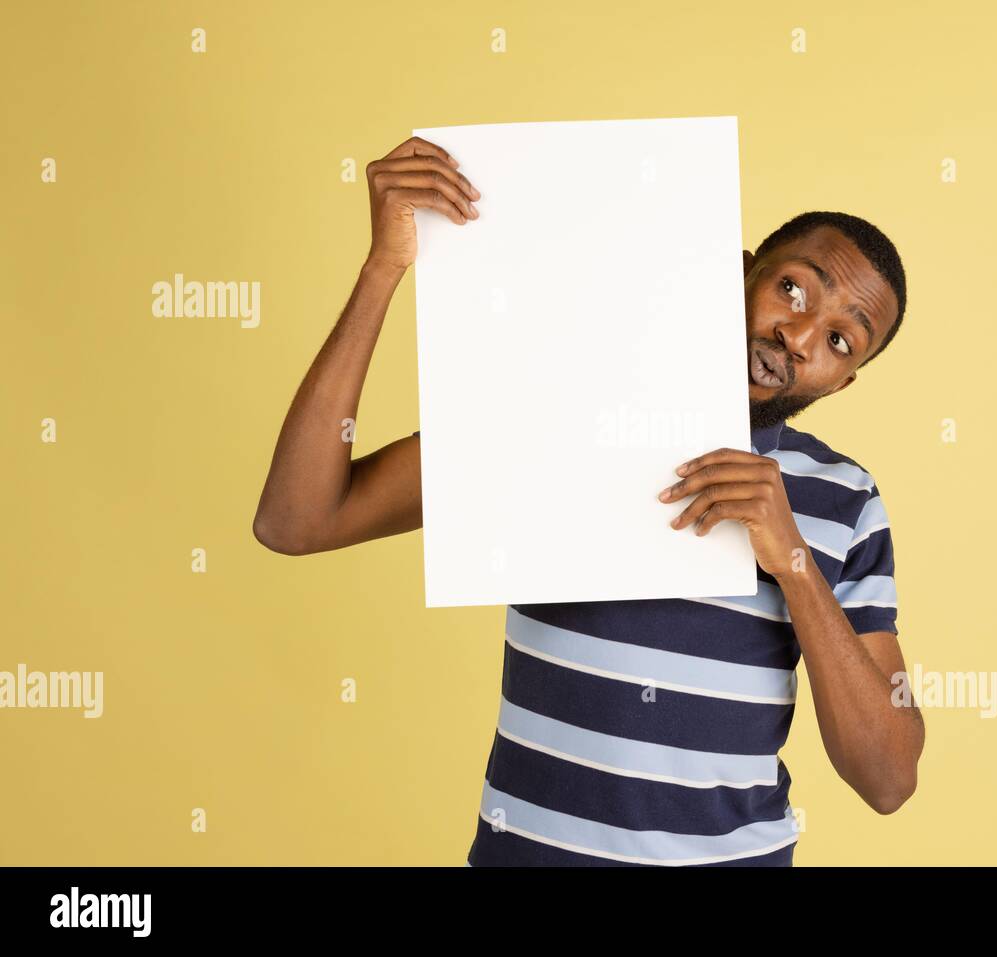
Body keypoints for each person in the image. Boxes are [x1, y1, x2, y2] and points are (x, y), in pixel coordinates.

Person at [253, 135, 925, 866]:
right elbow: (296, 520)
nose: (797, 336)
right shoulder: (559, 418)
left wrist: (793, 560)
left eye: (838, 339)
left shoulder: (846, 500)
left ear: (841, 380)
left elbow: (887, 776)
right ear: (737, 271)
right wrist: (385, 266)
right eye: (792, 289)